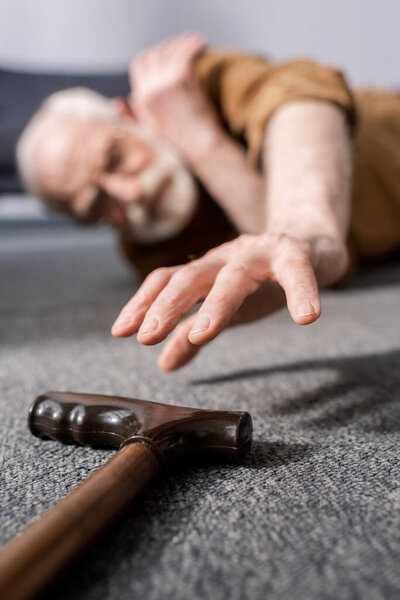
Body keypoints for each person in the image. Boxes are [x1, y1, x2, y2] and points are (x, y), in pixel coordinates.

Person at [17, 33, 400, 371]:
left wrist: (200, 137)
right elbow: (328, 268)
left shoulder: (186, 85)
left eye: (114, 158)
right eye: (98, 205)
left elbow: (301, 91)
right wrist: (304, 250)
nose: (131, 195)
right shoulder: (149, 253)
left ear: (128, 114)